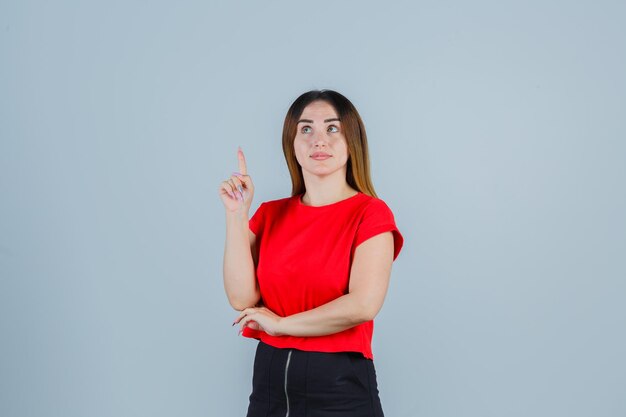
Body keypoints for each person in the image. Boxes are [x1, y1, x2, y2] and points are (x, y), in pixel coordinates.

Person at [219, 90, 403, 417]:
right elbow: (241, 298)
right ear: (292, 143)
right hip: (268, 391)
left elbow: (363, 304)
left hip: (341, 392)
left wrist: (281, 325)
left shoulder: (370, 214)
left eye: (332, 128)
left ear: (352, 142)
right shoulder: (269, 214)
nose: (319, 140)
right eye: (306, 129)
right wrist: (237, 215)